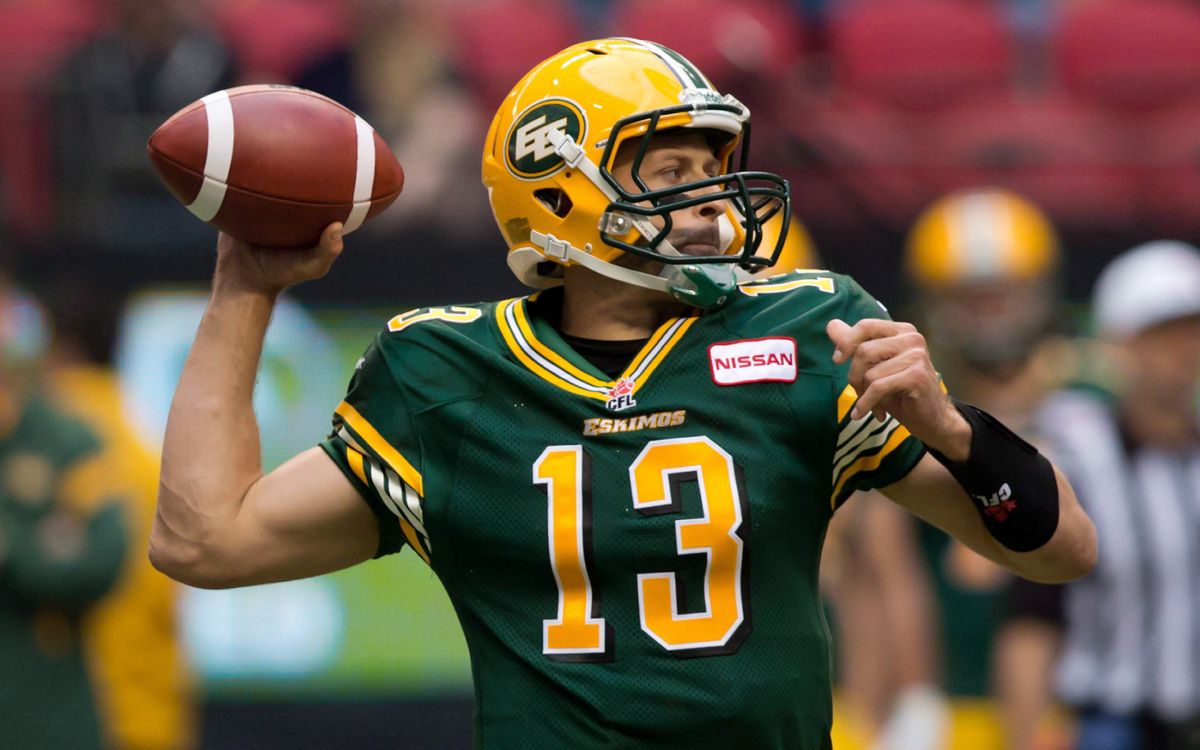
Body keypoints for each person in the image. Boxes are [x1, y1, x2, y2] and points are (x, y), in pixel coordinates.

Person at [150, 38, 1097, 749]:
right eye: (672, 172)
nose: (711, 201)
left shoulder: (805, 328)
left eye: (712, 170)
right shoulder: (444, 372)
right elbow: (204, 539)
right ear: (561, 189)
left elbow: (1063, 555)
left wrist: (957, 432)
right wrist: (245, 289)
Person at [825, 187, 1074, 750]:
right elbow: (877, 566)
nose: (991, 315)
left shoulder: (1082, 399)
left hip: (1071, 687)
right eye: (972, 298)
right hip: (944, 695)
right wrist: (912, 701)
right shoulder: (913, 401)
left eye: (1004, 294)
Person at [1002, 240, 1200, 750]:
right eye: (1163, 334)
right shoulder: (1076, 457)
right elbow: (1031, 618)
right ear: (1119, 344)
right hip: (1106, 721)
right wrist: (1027, 735)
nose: (1186, 349)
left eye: (1193, 330)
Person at [44, 274, 197, 750]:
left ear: (57, 351)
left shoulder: (39, 452)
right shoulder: (153, 455)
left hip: (60, 718)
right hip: (148, 715)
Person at [0, 278, 129, 748]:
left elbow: (106, 554)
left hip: (53, 710)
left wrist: (11, 548)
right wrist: (37, 537)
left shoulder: (69, 436)